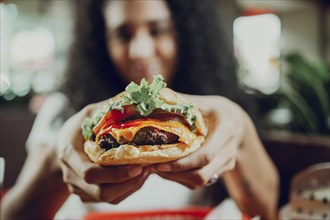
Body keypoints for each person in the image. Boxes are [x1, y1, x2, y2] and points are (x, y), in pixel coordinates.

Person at [1, 0, 279, 219]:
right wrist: (55, 160)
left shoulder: (218, 114)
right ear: (102, 42)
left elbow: (265, 211)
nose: (140, 51)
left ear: (188, 35)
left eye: (157, 30)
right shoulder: (63, 110)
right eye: (123, 34)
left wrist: (241, 129)